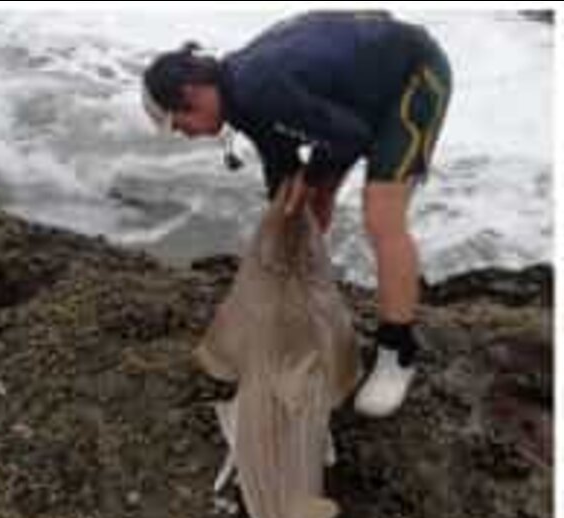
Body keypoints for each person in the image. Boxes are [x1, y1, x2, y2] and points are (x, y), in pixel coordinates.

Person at [141, 11, 452, 418]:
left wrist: (311, 177)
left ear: (192, 92)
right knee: (303, 201)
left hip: (412, 77)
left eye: (177, 123)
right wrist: (291, 198)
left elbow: (350, 136)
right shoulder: (237, 94)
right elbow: (280, 160)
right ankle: (299, 295)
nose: (182, 133)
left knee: (381, 213)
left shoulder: (260, 86)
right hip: (354, 97)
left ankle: (398, 353)